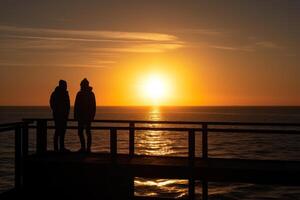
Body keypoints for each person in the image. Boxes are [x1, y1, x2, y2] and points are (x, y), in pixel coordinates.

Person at [74, 78, 96, 153]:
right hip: (84, 116)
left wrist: (76, 115)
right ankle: (85, 148)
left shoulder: (82, 94)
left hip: (84, 116)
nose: (81, 86)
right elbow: (76, 105)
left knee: (85, 132)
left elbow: (93, 106)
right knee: (84, 132)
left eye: (82, 85)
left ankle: (86, 148)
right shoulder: (87, 94)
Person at [50, 80, 70, 152]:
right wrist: (58, 111)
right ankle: (57, 148)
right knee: (58, 131)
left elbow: (52, 103)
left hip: (63, 116)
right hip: (59, 116)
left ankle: (60, 147)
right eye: (65, 85)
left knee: (61, 132)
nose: (66, 86)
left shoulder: (57, 93)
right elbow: (52, 104)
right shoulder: (57, 94)